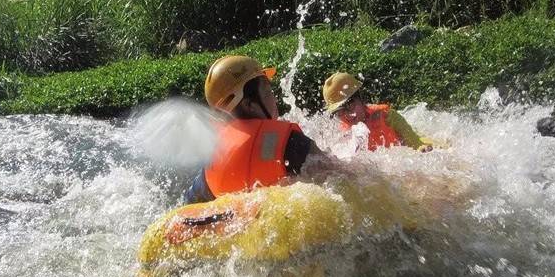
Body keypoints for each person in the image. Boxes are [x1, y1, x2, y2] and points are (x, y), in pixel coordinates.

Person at [185, 55, 322, 204]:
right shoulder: (290, 143)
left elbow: (189, 203)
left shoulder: (212, 160)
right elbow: (341, 178)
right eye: (268, 91)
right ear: (249, 104)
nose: (274, 98)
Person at [322, 72, 433, 152]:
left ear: (361, 98)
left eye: (349, 104)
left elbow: (415, 142)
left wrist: (420, 147)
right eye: (339, 111)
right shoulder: (343, 135)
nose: (346, 114)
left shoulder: (387, 116)